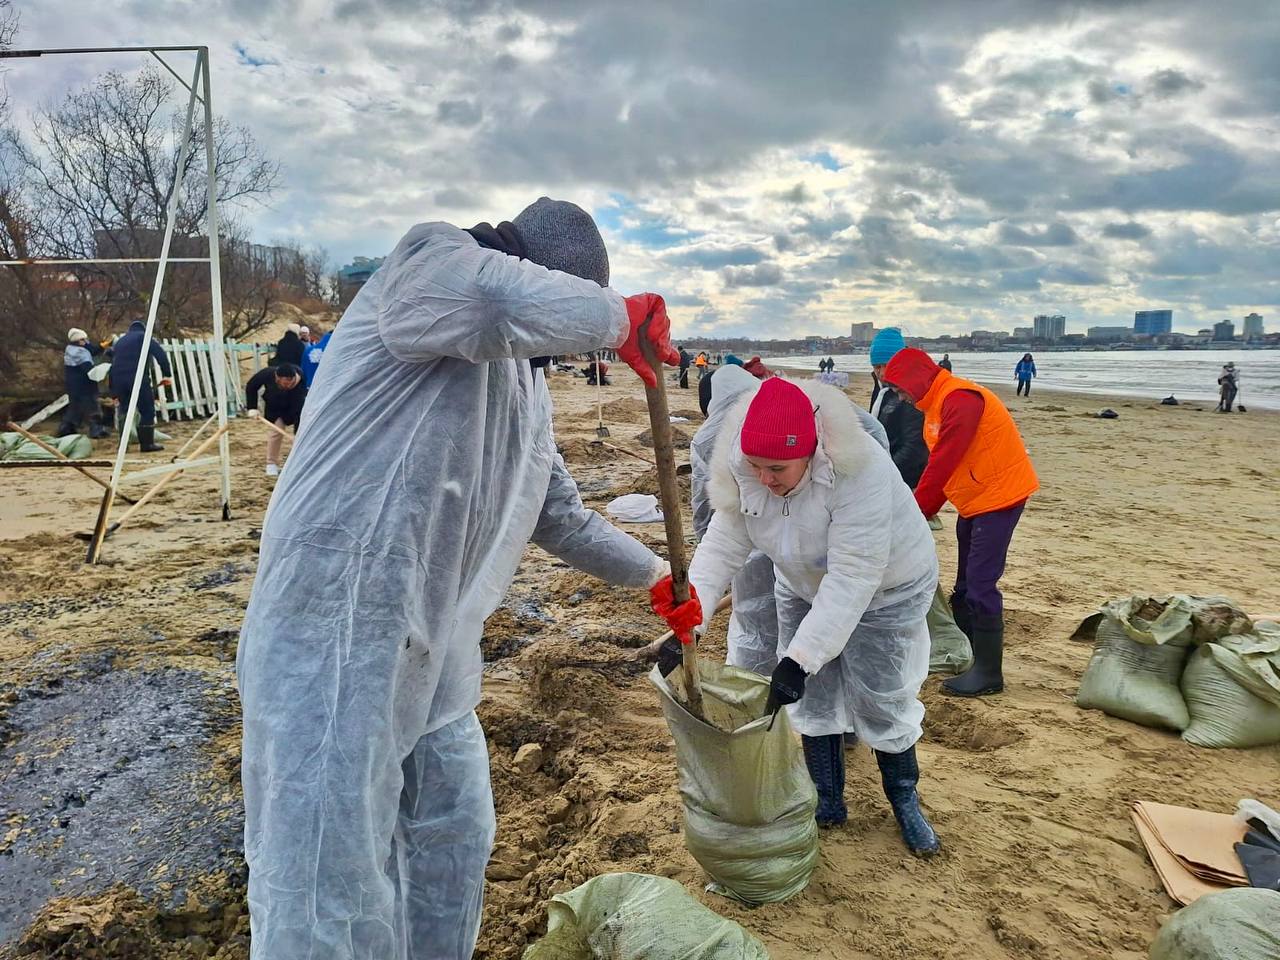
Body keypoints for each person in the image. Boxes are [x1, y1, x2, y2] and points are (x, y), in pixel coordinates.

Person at [237, 197, 681, 960]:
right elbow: (491, 298)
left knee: (454, 833)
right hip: (333, 636)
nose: (550, 354)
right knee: (325, 877)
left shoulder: (523, 389)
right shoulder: (427, 267)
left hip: (435, 654)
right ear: (535, 273)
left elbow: (560, 516)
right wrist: (617, 318)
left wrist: (656, 575)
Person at [655, 376, 940, 855]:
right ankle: (827, 799)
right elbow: (723, 545)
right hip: (802, 583)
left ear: (811, 451)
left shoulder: (860, 470)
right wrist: (690, 623)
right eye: (757, 467)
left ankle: (904, 799)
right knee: (813, 699)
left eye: (778, 468)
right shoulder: (745, 469)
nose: (765, 479)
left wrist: (800, 656)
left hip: (887, 587)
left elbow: (853, 575)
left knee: (883, 695)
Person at [882, 348, 1039, 698]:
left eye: (898, 388)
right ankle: (969, 648)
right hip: (976, 500)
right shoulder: (936, 403)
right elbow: (937, 462)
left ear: (915, 378)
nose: (899, 396)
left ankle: (988, 673)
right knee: (966, 580)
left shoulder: (960, 400)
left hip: (999, 498)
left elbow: (943, 461)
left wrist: (915, 513)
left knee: (982, 582)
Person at [868, 328, 928, 488]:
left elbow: (915, 446)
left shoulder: (911, 391)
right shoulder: (880, 388)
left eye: (885, 365)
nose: (881, 373)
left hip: (906, 479)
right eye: (876, 367)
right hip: (884, 468)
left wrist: (886, 472)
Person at [108, 318, 173, 452]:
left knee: (124, 411)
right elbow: (160, 354)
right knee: (147, 410)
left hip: (119, 380)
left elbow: (112, 366)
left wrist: (113, 391)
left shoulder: (120, 342)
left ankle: (123, 446)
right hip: (137, 378)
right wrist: (167, 373)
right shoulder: (143, 337)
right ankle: (147, 444)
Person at [243, 361, 308, 476]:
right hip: (274, 408)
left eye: (289, 384)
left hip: (295, 408)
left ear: (294, 379)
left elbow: (299, 408)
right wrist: (252, 408)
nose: (286, 386)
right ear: (277, 378)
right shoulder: (268, 373)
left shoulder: (300, 381)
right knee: (275, 433)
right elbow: (251, 386)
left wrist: (297, 432)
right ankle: (271, 464)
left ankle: (298, 464)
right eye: (283, 384)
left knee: (300, 435)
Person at [56, 328, 110, 439]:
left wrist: (102, 346)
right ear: (80, 341)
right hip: (84, 386)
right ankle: (96, 430)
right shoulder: (80, 353)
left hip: (73, 386)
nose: (87, 341)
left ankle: (65, 429)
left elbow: (92, 350)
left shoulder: (71, 349)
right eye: (85, 339)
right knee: (92, 407)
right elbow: (88, 370)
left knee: (75, 409)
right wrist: (102, 371)